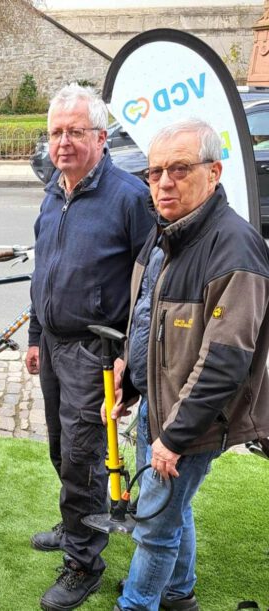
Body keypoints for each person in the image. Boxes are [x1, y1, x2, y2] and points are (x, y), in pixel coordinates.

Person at [111, 119, 269, 611]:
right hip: (156, 411)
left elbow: (226, 361)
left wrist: (174, 438)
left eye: (179, 169)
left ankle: (137, 604)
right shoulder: (166, 236)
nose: (163, 182)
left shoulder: (234, 246)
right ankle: (179, 594)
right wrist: (128, 374)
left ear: (214, 172)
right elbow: (144, 319)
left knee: (155, 527)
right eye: (155, 171)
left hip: (190, 423)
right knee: (170, 513)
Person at [25, 84, 154, 610]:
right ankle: (77, 521)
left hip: (95, 351)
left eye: (75, 132)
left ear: (100, 137)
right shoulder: (55, 190)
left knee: (82, 455)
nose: (63, 142)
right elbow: (44, 272)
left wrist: (130, 355)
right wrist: (35, 335)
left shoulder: (129, 197)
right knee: (61, 447)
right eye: (56, 132)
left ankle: (83, 560)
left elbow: (149, 284)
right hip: (55, 345)